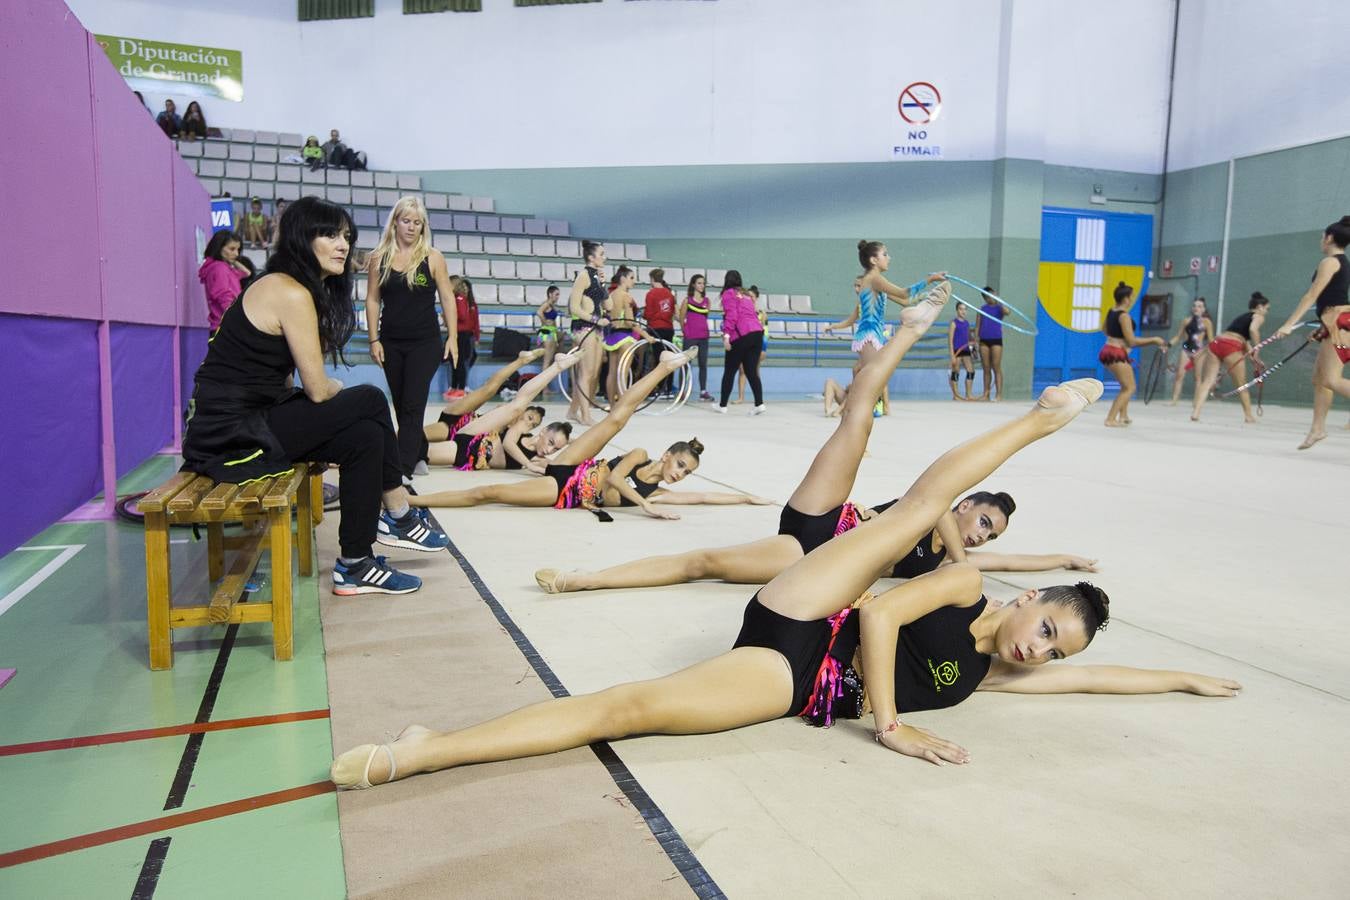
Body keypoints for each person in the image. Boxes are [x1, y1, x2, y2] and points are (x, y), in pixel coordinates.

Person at [333, 370, 1242, 789]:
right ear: (1030, 599)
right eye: (1046, 627)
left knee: (629, 711)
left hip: (789, 684)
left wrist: (1186, 679)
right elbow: (881, 617)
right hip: (813, 613)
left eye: (1049, 650)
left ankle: (431, 741)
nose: (1037, 650)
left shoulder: (997, 670)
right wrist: (889, 727)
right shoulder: (965, 590)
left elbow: (1089, 679)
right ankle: (1038, 423)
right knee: (917, 510)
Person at [537, 285, 1096, 595]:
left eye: (988, 534)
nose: (979, 537)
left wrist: (1065, 558)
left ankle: (583, 580)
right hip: (823, 530)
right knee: (857, 417)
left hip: (821, 556)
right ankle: (910, 330)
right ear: (968, 505)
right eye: (983, 523)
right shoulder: (942, 519)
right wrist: (955, 556)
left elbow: (1016, 561)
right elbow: (939, 510)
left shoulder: (957, 550)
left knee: (703, 562)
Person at [182, 196, 447, 598]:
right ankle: (398, 510)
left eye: (345, 236)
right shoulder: (288, 292)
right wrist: (331, 401)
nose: (343, 244)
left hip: (254, 418)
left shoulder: (294, 288)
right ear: (302, 240)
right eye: (329, 234)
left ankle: (355, 563)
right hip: (231, 434)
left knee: (367, 438)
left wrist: (317, 421)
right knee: (372, 400)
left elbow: (286, 382)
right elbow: (319, 390)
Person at [409, 349, 755, 516]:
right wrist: (646, 507)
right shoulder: (639, 457)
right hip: (575, 467)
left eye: (686, 472)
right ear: (667, 455)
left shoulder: (657, 493)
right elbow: (618, 479)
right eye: (680, 465)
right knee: (617, 419)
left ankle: (412, 501)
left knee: (490, 493)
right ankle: (663, 367)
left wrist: (747, 498)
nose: (680, 475)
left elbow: (703, 497)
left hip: (565, 491)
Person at [364, 196, 460, 480]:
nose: (411, 227)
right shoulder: (378, 258)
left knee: (413, 404)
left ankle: (401, 469)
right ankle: (419, 452)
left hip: (425, 343)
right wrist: (373, 339)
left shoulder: (433, 258)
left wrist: (452, 336)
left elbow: (447, 298)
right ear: (395, 222)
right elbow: (372, 299)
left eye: (417, 223)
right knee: (401, 402)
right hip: (391, 342)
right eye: (406, 221)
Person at [823, 242, 944, 415]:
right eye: (885, 254)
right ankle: (846, 409)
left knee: (873, 377)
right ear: (873, 260)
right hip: (869, 335)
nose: (889, 258)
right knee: (872, 378)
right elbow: (904, 293)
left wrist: (928, 296)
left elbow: (905, 301)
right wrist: (929, 280)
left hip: (874, 336)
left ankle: (851, 408)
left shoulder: (875, 283)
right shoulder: (874, 279)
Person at [426, 352, 579, 472]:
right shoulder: (520, 429)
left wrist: (566, 443)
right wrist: (528, 464)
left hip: (468, 452)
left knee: (419, 454)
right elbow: (508, 443)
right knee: (495, 393)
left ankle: (550, 365)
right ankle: (555, 367)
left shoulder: (538, 459)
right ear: (543, 431)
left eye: (556, 449)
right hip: (465, 428)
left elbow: (571, 456)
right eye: (551, 443)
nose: (549, 450)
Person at [1274, 215, 1350, 450]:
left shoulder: (1329, 262)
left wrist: (1288, 324)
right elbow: (1333, 298)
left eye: (1322, 236)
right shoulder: (1342, 262)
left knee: (1330, 379)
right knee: (1319, 380)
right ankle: (1317, 429)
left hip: (1340, 323)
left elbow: (1311, 296)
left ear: (1329, 238)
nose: (1321, 240)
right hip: (1332, 322)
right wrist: (1322, 327)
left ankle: (1318, 429)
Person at [1190, 293, 1270, 424]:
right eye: (1267, 308)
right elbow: (1253, 330)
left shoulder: (1242, 317)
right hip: (1231, 346)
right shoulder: (1258, 316)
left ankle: (1196, 413)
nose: (1266, 312)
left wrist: (1254, 358)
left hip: (1217, 343)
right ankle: (1248, 416)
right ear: (1260, 307)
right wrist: (1258, 349)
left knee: (1208, 381)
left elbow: (1243, 342)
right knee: (1241, 385)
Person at [1099, 282, 1166, 427]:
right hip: (1115, 353)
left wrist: (1118, 340)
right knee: (1129, 387)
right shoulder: (1124, 316)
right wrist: (1154, 340)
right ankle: (1110, 419)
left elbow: (1104, 329)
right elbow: (1132, 341)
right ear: (1126, 299)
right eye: (1131, 297)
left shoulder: (1111, 311)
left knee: (1125, 385)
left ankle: (1123, 415)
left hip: (1108, 349)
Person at [565, 241, 611, 426]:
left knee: (591, 374)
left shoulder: (597, 278)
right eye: (601, 254)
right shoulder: (583, 276)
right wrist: (595, 320)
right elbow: (573, 307)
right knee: (585, 373)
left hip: (596, 329)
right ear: (591, 257)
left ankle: (572, 411)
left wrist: (604, 284)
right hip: (584, 328)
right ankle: (584, 415)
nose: (604, 257)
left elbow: (609, 306)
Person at [716, 271, 766, 414]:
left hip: (742, 335)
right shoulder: (745, 294)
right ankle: (759, 404)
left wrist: (726, 336)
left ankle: (722, 405)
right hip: (757, 333)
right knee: (751, 371)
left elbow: (732, 315)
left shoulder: (728, 294)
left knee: (730, 370)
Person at [602, 266, 652, 402]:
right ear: (623, 279)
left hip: (612, 337)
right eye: (631, 278)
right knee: (622, 373)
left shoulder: (611, 295)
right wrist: (647, 336)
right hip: (625, 338)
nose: (633, 281)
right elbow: (630, 322)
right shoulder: (626, 296)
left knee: (612, 373)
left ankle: (612, 404)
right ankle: (621, 404)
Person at [198, 230, 251, 332]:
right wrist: (237, 321)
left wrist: (233, 260)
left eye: (238, 250)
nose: (236, 253)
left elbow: (246, 273)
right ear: (219, 248)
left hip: (222, 325)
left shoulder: (221, 267)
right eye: (232, 249)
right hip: (225, 327)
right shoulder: (219, 269)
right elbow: (224, 296)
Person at [1167, 298, 1213, 405]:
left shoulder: (1207, 322)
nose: (1196, 308)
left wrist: (1210, 350)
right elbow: (1178, 337)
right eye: (1194, 306)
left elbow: (1211, 339)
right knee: (1179, 374)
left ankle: (1196, 402)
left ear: (1204, 309)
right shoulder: (1186, 321)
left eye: (1199, 306)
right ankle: (1174, 400)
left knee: (1197, 377)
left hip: (1199, 350)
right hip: (1186, 348)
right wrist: (1167, 345)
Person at [679, 273, 714, 401]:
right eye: (699, 283)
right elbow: (682, 318)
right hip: (690, 337)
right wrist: (686, 332)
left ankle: (703, 391)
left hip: (704, 337)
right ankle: (682, 391)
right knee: (686, 364)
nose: (702, 285)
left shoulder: (707, 301)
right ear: (693, 284)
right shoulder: (687, 300)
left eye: (703, 283)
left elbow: (705, 317)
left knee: (703, 364)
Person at [644, 269, 677, 396]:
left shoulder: (651, 294)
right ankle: (668, 388)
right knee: (669, 357)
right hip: (668, 328)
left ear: (652, 279)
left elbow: (648, 314)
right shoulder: (669, 294)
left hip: (656, 328)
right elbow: (671, 311)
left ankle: (660, 387)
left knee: (659, 359)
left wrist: (645, 315)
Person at [735, 286, 771, 404]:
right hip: (744, 343)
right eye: (748, 296)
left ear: (756, 298)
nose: (750, 298)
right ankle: (741, 397)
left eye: (752, 296)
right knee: (742, 370)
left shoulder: (761, 314)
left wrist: (763, 349)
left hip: (757, 345)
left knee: (755, 371)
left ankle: (758, 398)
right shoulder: (742, 310)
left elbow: (764, 333)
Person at [447, 278, 480, 398]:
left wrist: (449, 314)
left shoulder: (460, 299)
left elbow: (462, 316)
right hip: (458, 334)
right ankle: (455, 387)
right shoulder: (458, 299)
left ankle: (460, 388)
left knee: (460, 361)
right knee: (455, 361)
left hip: (463, 334)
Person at [976, 286, 1010, 401]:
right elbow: (977, 326)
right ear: (984, 298)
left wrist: (999, 301)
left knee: (996, 366)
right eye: (986, 297)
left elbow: (1008, 312)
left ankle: (998, 394)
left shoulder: (999, 308)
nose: (989, 299)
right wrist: (976, 341)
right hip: (984, 340)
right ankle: (986, 393)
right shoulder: (982, 308)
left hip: (996, 340)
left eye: (990, 296)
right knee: (986, 368)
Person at [948, 302, 977, 400]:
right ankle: (956, 395)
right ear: (957, 310)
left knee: (971, 371)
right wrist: (952, 355)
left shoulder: (967, 323)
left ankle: (968, 394)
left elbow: (969, 339)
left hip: (965, 350)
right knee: (956, 371)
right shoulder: (954, 323)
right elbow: (950, 340)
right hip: (957, 350)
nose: (963, 311)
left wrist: (973, 350)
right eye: (961, 309)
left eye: (965, 309)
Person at [537, 284, 563, 392]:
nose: (558, 297)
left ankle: (545, 386)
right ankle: (544, 388)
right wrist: (544, 321)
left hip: (551, 333)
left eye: (558, 295)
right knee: (546, 362)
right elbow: (539, 312)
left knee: (549, 360)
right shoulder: (547, 304)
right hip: (547, 333)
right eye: (556, 294)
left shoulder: (552, 306)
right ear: (550, 294)